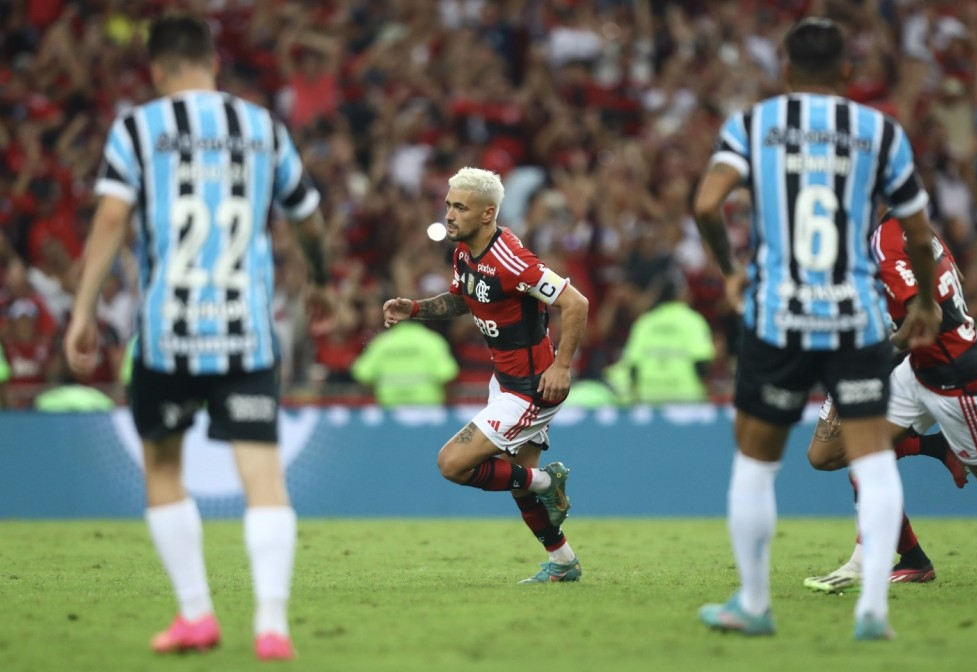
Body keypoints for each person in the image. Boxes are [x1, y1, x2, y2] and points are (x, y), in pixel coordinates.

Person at [64, 14, 332, 661]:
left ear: (156, 68)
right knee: (262, 476)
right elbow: (308, 217)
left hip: (166, 335)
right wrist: (319, 274)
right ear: (213, 62)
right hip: (246, 333)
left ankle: (196, 616)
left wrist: (83, 310)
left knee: (163, 466)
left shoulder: (137, 128)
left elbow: (109, 218)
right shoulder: (262, 127)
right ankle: (272, 626)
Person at [692, 18, 940, 641]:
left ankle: (753, 604)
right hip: (853, 316)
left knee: (756, 463)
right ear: (848, 73)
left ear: (785, 69)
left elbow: (704, 204)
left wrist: (730, 271)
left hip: (779, 316)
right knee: (873, 459)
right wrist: (927, 302)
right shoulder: (879, 131)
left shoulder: (753, 124)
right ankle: (874, 609)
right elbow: (916, 231)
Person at [382, 166, 590, 583]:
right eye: (448, 205)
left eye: (461, 207)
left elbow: (576, 302)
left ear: (488, 213)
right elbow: (464, 299)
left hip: (532, 389)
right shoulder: (464, 252)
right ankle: (564, 563)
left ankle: (547, 482)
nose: (450, 215)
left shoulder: (511, 260)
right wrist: (417, 309)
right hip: (507, 382)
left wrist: (562, 366)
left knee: (452, 463)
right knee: (518, 485)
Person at [805, 217, 977, 590]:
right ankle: (904, 558)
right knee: (837, 452)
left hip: (956, 376)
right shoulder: (909, 227)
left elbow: (929, 317)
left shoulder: (884, 240)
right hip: (917, 366)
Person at [351, 320, 459, 407]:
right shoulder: (432, 341)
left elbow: (362, 374)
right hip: (426, 410)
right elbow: (448, 375)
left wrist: (377, 396)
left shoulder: (382, 342)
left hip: (389, 411)